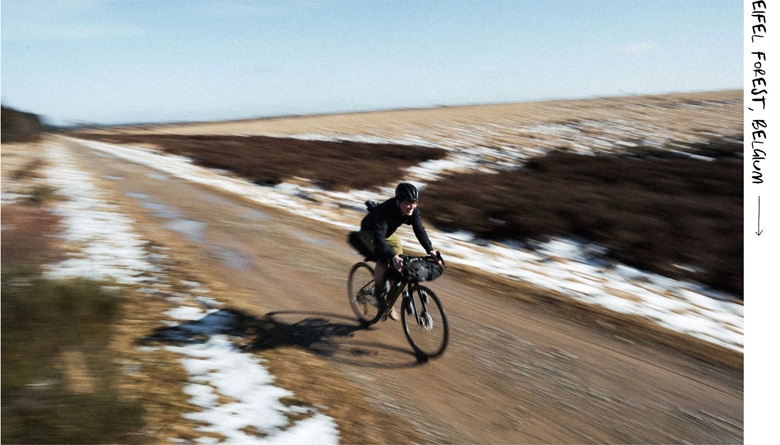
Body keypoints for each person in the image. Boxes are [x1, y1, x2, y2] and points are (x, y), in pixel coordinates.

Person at [358, 182, 438, 320]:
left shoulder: (413, 211)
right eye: (408, 202)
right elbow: (379, 239)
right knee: (384, 260)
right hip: (371, 233)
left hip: (387, 234)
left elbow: (419, 230)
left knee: (400, 264)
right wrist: (392, 256)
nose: (412, 206)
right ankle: (378, 295)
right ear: (398, 201)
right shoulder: (386, 210)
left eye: (415, 202)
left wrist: (430, 250)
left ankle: (389, 300)